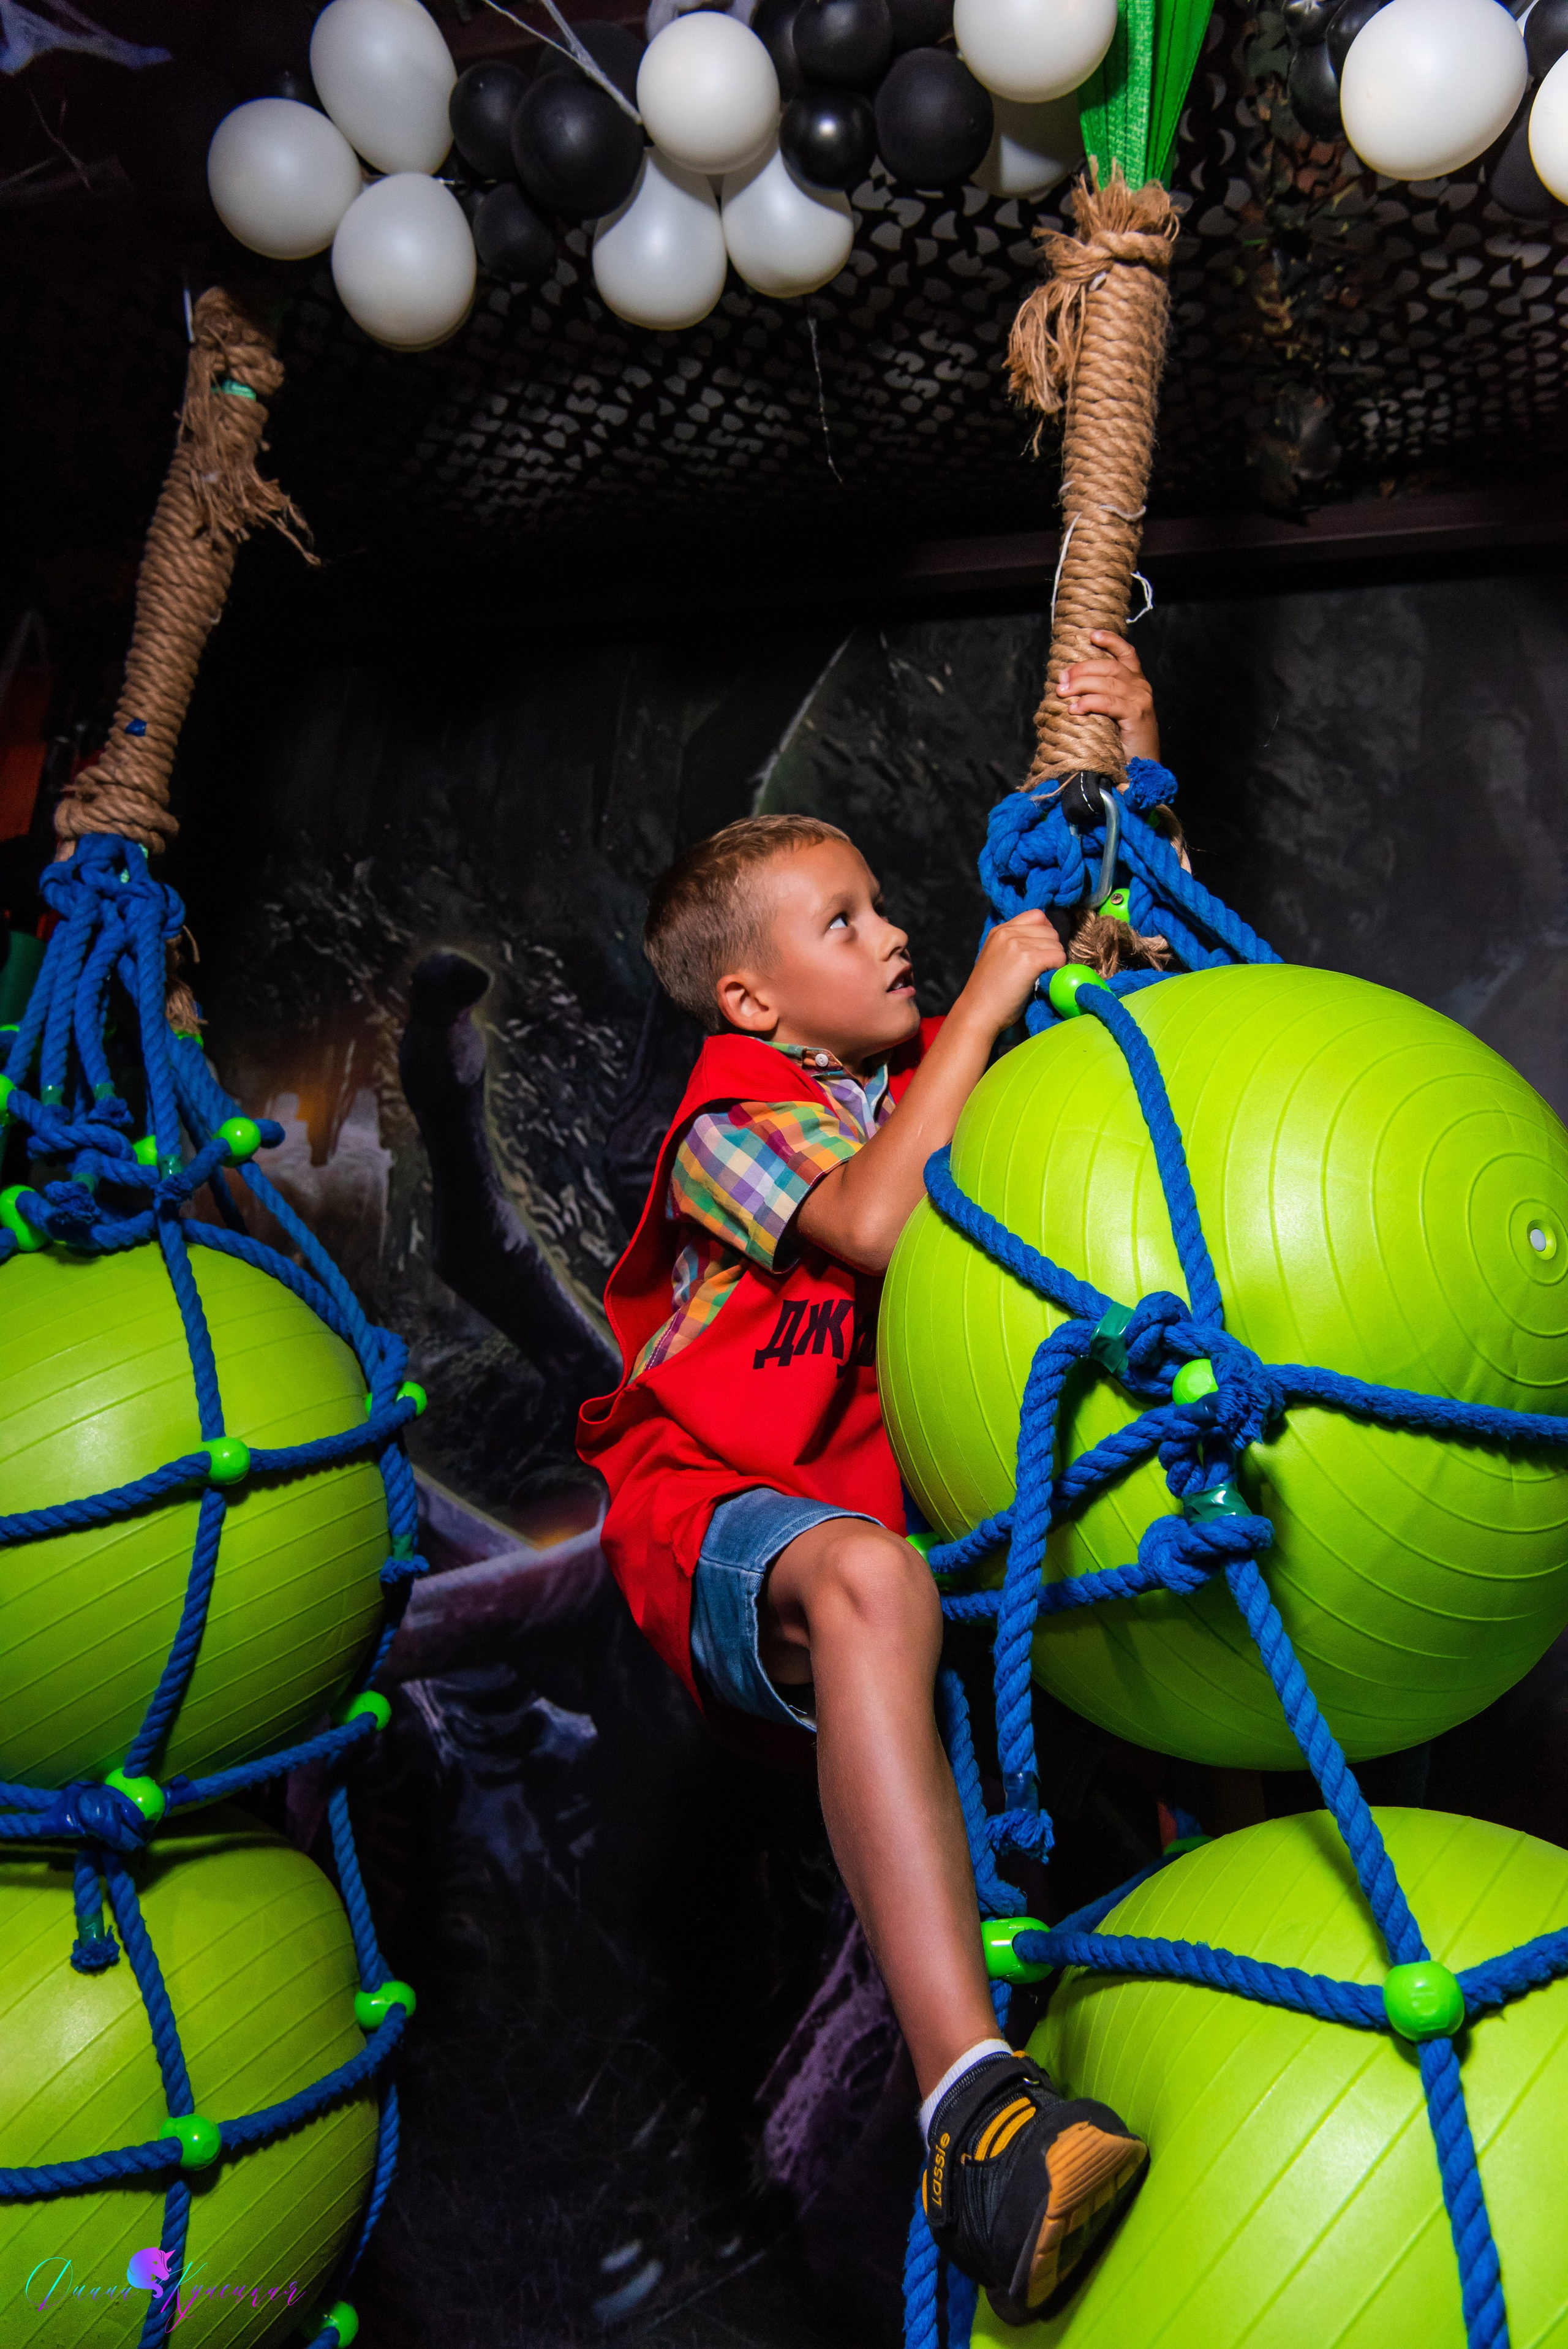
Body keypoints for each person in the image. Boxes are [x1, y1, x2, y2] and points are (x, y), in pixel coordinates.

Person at [579, 633, 1158, 2324]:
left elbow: (1131, 997)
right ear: (753, 997)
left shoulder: (921, 1083)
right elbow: (875, 1221)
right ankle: (971, 2107)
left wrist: (1127, 764)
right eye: (843, 921)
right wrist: (983, 994)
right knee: (867, 1578)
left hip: (894, 1535)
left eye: (884, 905)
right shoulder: (725, 1116)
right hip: (712, 1516)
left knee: (954, 1593)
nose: (894, 930)